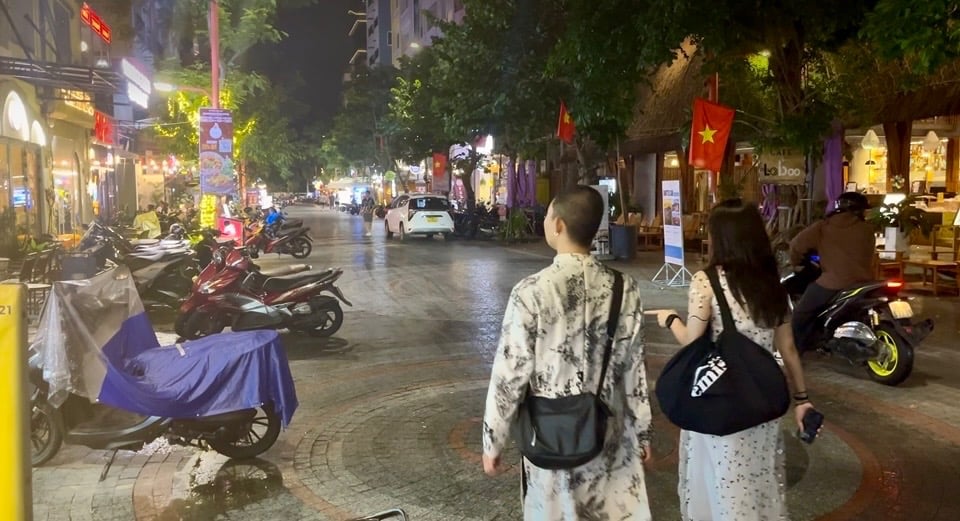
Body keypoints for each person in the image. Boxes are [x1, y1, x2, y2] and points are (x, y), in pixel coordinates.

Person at [482, 185, 653, 521]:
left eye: (548, 216)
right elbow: (635, 368)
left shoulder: (531, 292)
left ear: (558, 225)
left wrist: (493, 440)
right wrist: (643, 431)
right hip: (608, 433)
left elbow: (510, 375)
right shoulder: (625, 288)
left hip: (551, 437)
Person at [648, 199, 816, 521]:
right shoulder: (772, 285)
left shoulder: (707, 282)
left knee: (720, 484)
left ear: (720, 237)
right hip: (760, 400)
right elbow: (789, 348)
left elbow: (691, 341)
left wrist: (670, 320)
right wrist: (802, 400)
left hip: (720, 399)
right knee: (756, 483)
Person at [788, 191, 875, 352]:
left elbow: (796, 246)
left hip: (833, 283)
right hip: (864, 282)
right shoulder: (867, 229)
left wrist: (796, 263)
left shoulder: (823, 227)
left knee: (800, 313)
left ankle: (795, 351)